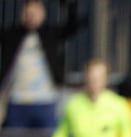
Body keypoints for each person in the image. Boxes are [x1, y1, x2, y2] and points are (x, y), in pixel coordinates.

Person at [0, 0, 84, 129]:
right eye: (28, 13)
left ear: (42, 14)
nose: (31, 17)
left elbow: (73, 26)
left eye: (35, 13)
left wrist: (70, 5)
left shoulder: (51, 34)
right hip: (17, 101)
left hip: (45, 101)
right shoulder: (12, 35)